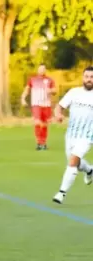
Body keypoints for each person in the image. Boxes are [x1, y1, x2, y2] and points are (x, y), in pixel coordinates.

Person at [52, 66, 93, 204]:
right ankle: (90, 170)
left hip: (88, 136)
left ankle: (61, 193)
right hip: (71, 135)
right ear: (83, 78)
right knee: (75, 161)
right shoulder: (74, 92)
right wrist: (58, 114)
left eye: (92, 77)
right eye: (87, 76)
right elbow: (60, 106)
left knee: (73, 161)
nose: (89, 79)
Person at [21, 63, 57, 150]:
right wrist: (23, 98)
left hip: (46, 105)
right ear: (38, 70)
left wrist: (51, 90)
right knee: (37, 122)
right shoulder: (33, 79)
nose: (42, 70)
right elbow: (27, 89)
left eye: (43, 69)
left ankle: (43, 143)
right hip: (36, 104)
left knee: (44, 124)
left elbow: (55, 91)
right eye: (40, 69)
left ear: (45, 70)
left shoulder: (49, 80)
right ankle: (39, 142)